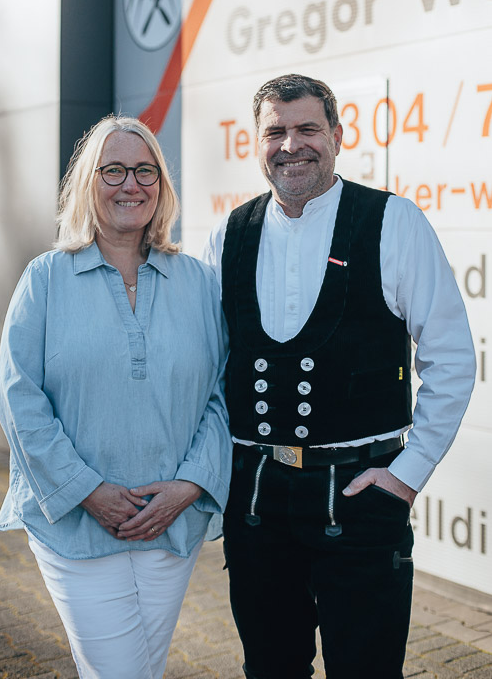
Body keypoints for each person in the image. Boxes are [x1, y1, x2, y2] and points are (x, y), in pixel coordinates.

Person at [202, 74, 476, 679]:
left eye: (307, 129)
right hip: (256, 500)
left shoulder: (392, 221)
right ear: (256, 141)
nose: (290, 145)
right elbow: (208, 371)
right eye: (275, 131)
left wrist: (406, 475)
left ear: (337, 136)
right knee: (270, 668)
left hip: (359, 496)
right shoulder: (230, 234)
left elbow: (453, 358)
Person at [0, 115, 232, 679]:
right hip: (75, 524)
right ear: (88, 182)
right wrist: (89, 491)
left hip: (169, 524)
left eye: (145, 171)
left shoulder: (198, 281)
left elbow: (223, 393)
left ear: (162, 185)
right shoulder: (45, 278)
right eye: (114, 171)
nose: (131, 184)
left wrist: (190, 486)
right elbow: (18, 397)